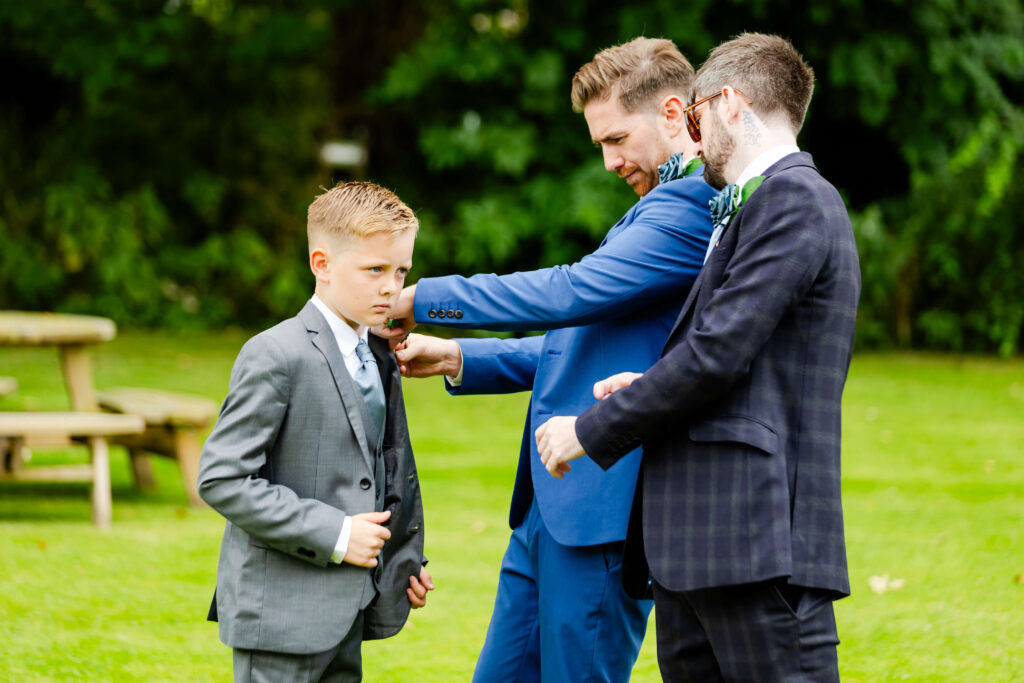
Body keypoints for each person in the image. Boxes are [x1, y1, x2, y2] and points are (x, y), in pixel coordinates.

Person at [378, 37, 715, 683]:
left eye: (617, 139)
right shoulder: (656, 207)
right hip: (548, 508)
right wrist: (458, 357)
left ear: (674, 113)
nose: (611, 161)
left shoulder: (692, 205)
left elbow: (570, 292)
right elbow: (585, 342)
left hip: (602, 509)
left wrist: (427, 298)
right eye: (601, 146)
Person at [536, 33, 861, 682]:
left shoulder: (794, 198)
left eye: (697, 115)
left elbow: (716, 356)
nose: (691, 132)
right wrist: (649, 379)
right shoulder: (744, 210)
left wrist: (588, 431)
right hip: (697, 548)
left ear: (730, 104)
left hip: (758, 539)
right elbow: (736, 357)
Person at [197, 181, 433, 683]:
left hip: (348, 609)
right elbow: (222, 479)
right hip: (280, 615)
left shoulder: (379, 352)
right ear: (321, 264)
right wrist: (339, 534)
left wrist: (404, 558)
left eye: (401, 271)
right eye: (374, 270)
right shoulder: (276, 355)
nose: (392, 287)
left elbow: (383, 466)